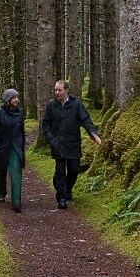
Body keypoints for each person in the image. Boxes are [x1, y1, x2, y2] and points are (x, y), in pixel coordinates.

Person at [40, 79, 102, 209]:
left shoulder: (76, 104)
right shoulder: (51, 105)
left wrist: (94, 135)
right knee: (60, 172)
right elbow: (45, 125)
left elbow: (85, 120)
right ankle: (61, 197)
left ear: (66, 90)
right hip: (58, 145)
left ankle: (68, 190)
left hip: (73, 143)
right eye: (55, 90)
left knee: (74, 170)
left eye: (59, 90)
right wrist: (52, 140)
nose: (57, 92)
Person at [0, 88, 26, 212]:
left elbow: (21, 131)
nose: (17, 100)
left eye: (17, 97)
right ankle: (0, 194)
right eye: (14, 98)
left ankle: (16, 201)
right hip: (2, 147)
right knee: (1, 171)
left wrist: (21, 146)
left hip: (15, 147)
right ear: (8, 100)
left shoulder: (20, 113)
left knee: (16, 173)